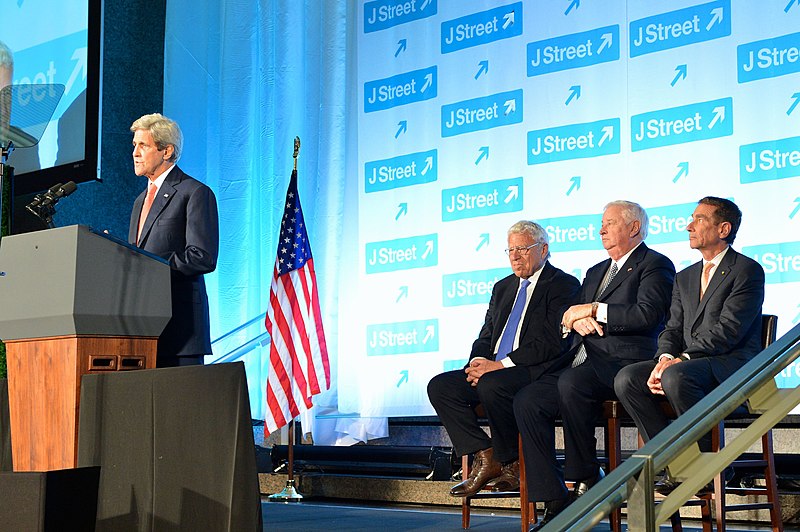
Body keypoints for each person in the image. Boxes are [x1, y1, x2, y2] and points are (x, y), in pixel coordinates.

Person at [514, 200, 675, 530]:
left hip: (624, 361)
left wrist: (594, 311)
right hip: (580, 358)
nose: (602, 228)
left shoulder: (655, 265)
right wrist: (574, 321)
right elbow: (572, 314)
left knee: (572, 383)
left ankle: (585, 474)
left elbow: (648, 315)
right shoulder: (595, 271)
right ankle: (553, 496)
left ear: (633, 228)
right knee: (527, 400)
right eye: (602, 222)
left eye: (611, 222)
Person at [614, 197, 765, 492]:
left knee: (676, 375)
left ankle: (707, 466)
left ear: (723, 228)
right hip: (689, 363)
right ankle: (675, 461)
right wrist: (664, 357)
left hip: (731, 364)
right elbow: (672, 328)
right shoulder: (684, 277)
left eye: (699, 219)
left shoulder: (746, 270)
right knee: (628, 378)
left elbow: (728, 331)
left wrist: (681, 359)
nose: (688, 226)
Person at [427, 220, 580, 497]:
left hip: (533, 370)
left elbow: (550, 342)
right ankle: (488, 455)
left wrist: (498, 366)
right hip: (495, 368)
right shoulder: (502, 287)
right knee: (441, 386)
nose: (515, 256)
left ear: (543, 249)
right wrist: (476, 364)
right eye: (510, 250)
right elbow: (487, 334)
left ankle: (510, 462)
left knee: (492, 384)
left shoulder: (563, 284)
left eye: (522, 248)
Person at [127, 113, 219, 367]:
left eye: (143, 145)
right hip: (143, 330)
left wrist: (151, 265)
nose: (135, 153)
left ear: (166, 151)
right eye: (134, 145)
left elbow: (202, 257)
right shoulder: (139, 201)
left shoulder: (195, 192)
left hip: (181, 332)